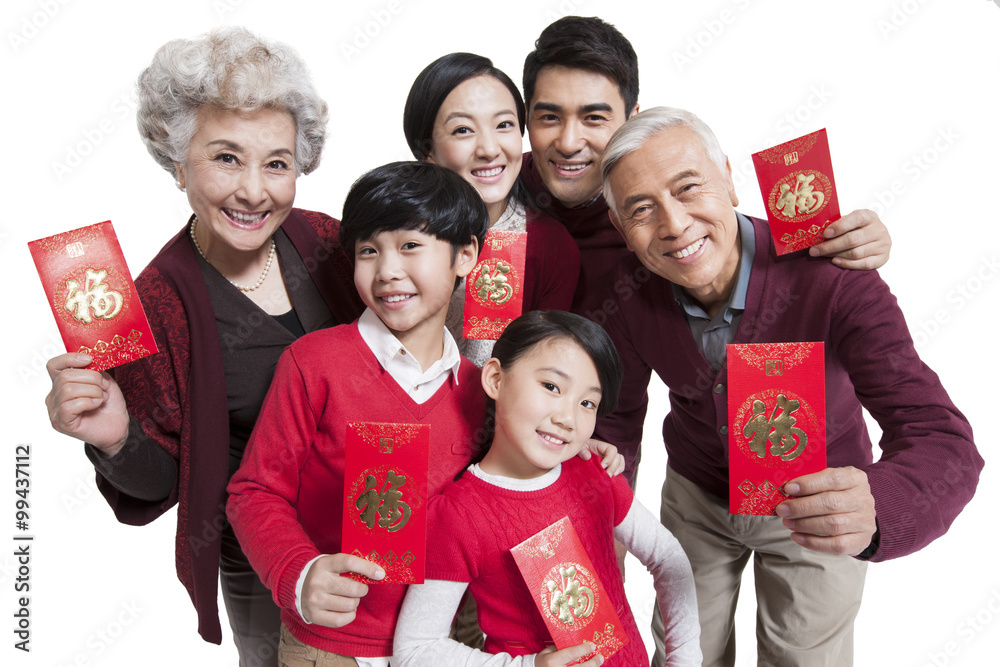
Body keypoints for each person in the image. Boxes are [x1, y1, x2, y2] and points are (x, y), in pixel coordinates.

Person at [594, 106, 983, 666]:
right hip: (696, 494)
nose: (675, 225)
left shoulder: (831, 271)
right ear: (621, 230)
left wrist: (875, 504)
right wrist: (604, 517)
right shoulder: (627, 296)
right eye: (642, 209)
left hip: (818, 501)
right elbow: (617, 420)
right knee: (682, 652)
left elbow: (940, 437)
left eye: (689, 188)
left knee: (802, 657)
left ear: (728, 178)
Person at [42, 27, 361, 666]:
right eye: (225, 158)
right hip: (262, 557)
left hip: (380, 523)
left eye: (276, 162)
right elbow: (160, 480)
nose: (253, 190)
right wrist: (114, 436)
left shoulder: (331, 241)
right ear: (177, 159)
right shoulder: (154, 303)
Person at [225, 161, 493, 666]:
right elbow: (254, 491)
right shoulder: (314, 363)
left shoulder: (482, 392)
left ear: (466, 255)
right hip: (329, 647)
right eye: (369, 251)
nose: (387, 270)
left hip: (450, 646)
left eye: (410, 245)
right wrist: (299, 574)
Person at [518, 16, 893, 320]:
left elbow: (721, 229)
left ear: (632, 120)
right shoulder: (491, 195)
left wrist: (854, 238)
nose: (568, 142)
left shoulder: (662, 225)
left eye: (594, 118)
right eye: (549, 117)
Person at [393, 310, 701, 666]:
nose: (567, 418)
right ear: (495, 378)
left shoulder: (592, 471)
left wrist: (684, 659)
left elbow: (668, 557)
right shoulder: (458, 515)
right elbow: (415, 650)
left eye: (587, 403)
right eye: (551, 387)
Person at [403, 52, 580, 367]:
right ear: (427, 149)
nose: (489, 149)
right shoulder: (394, 231)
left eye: (504, 125)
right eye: (463, 130)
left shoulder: (551, 246)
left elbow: (542, 369)